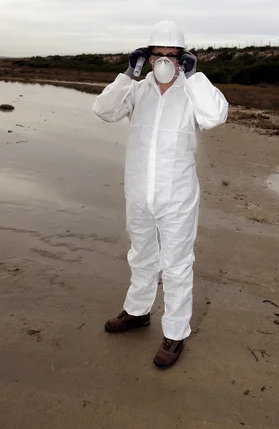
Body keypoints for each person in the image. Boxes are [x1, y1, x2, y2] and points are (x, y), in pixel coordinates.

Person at [93, 21, 228, 369]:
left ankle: (175, 333)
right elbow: (103, 110)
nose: (165, 62)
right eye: (158, 55)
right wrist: (127, 74)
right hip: (139, 192)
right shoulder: (137, 91)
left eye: (172, 56)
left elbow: (215, 116)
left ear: (183, 59)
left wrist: (196, 77)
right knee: (140, 254)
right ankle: (137, 312)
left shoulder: (192, 92)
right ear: (149, 58)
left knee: (178, 265)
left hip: (178, 198)